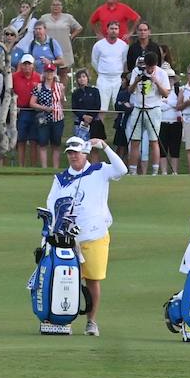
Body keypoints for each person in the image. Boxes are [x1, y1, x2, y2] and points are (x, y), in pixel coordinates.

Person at [44, 135, 127, 336]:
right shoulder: (61, 178)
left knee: (93, 280)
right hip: (67, 239)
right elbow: (50, 204)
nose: (73, 156)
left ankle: (91, 321)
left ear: (85, 153)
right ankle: (63, 318)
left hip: (95, 234)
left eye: (77, 152)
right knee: (67, 279)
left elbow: (122, 170)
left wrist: (105, 146)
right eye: (70, 153)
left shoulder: (99, 170)